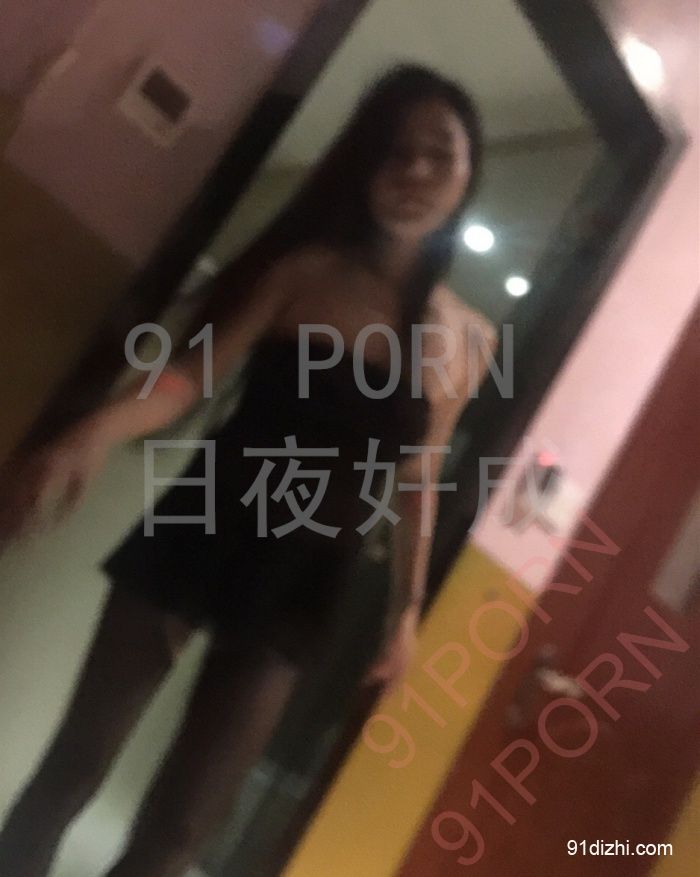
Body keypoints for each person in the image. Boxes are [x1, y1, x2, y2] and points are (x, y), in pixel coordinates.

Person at [0, 63, 498, 876]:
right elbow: (185, 380)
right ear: (365, 165)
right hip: (204, 525)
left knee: (181, 832)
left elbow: (419, 476)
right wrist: (91, 432)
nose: (414, 169)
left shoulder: (469, 337)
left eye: (438, 152)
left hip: (308, 574)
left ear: (470, 170)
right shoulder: (308, 273)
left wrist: (407, 610)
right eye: (393, 151)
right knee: (72, 771)